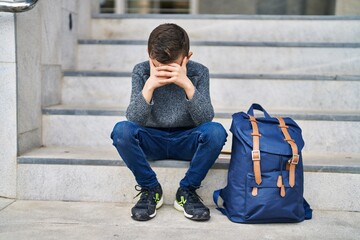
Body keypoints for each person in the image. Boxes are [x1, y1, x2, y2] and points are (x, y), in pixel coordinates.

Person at [111, 23, 227, 222]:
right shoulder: (141, 71)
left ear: (187, 57)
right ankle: (150, 188)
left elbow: (205, 118)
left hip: (187, 140)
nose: (164, 71)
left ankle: (187, 191)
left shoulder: (199, 72)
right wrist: (149, 86)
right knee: (121, 131)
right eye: (158, 65)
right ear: (149, 55)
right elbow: (135, 119)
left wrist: (186, 84)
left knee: (216, 132)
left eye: (171, 66)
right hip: (151, 140)